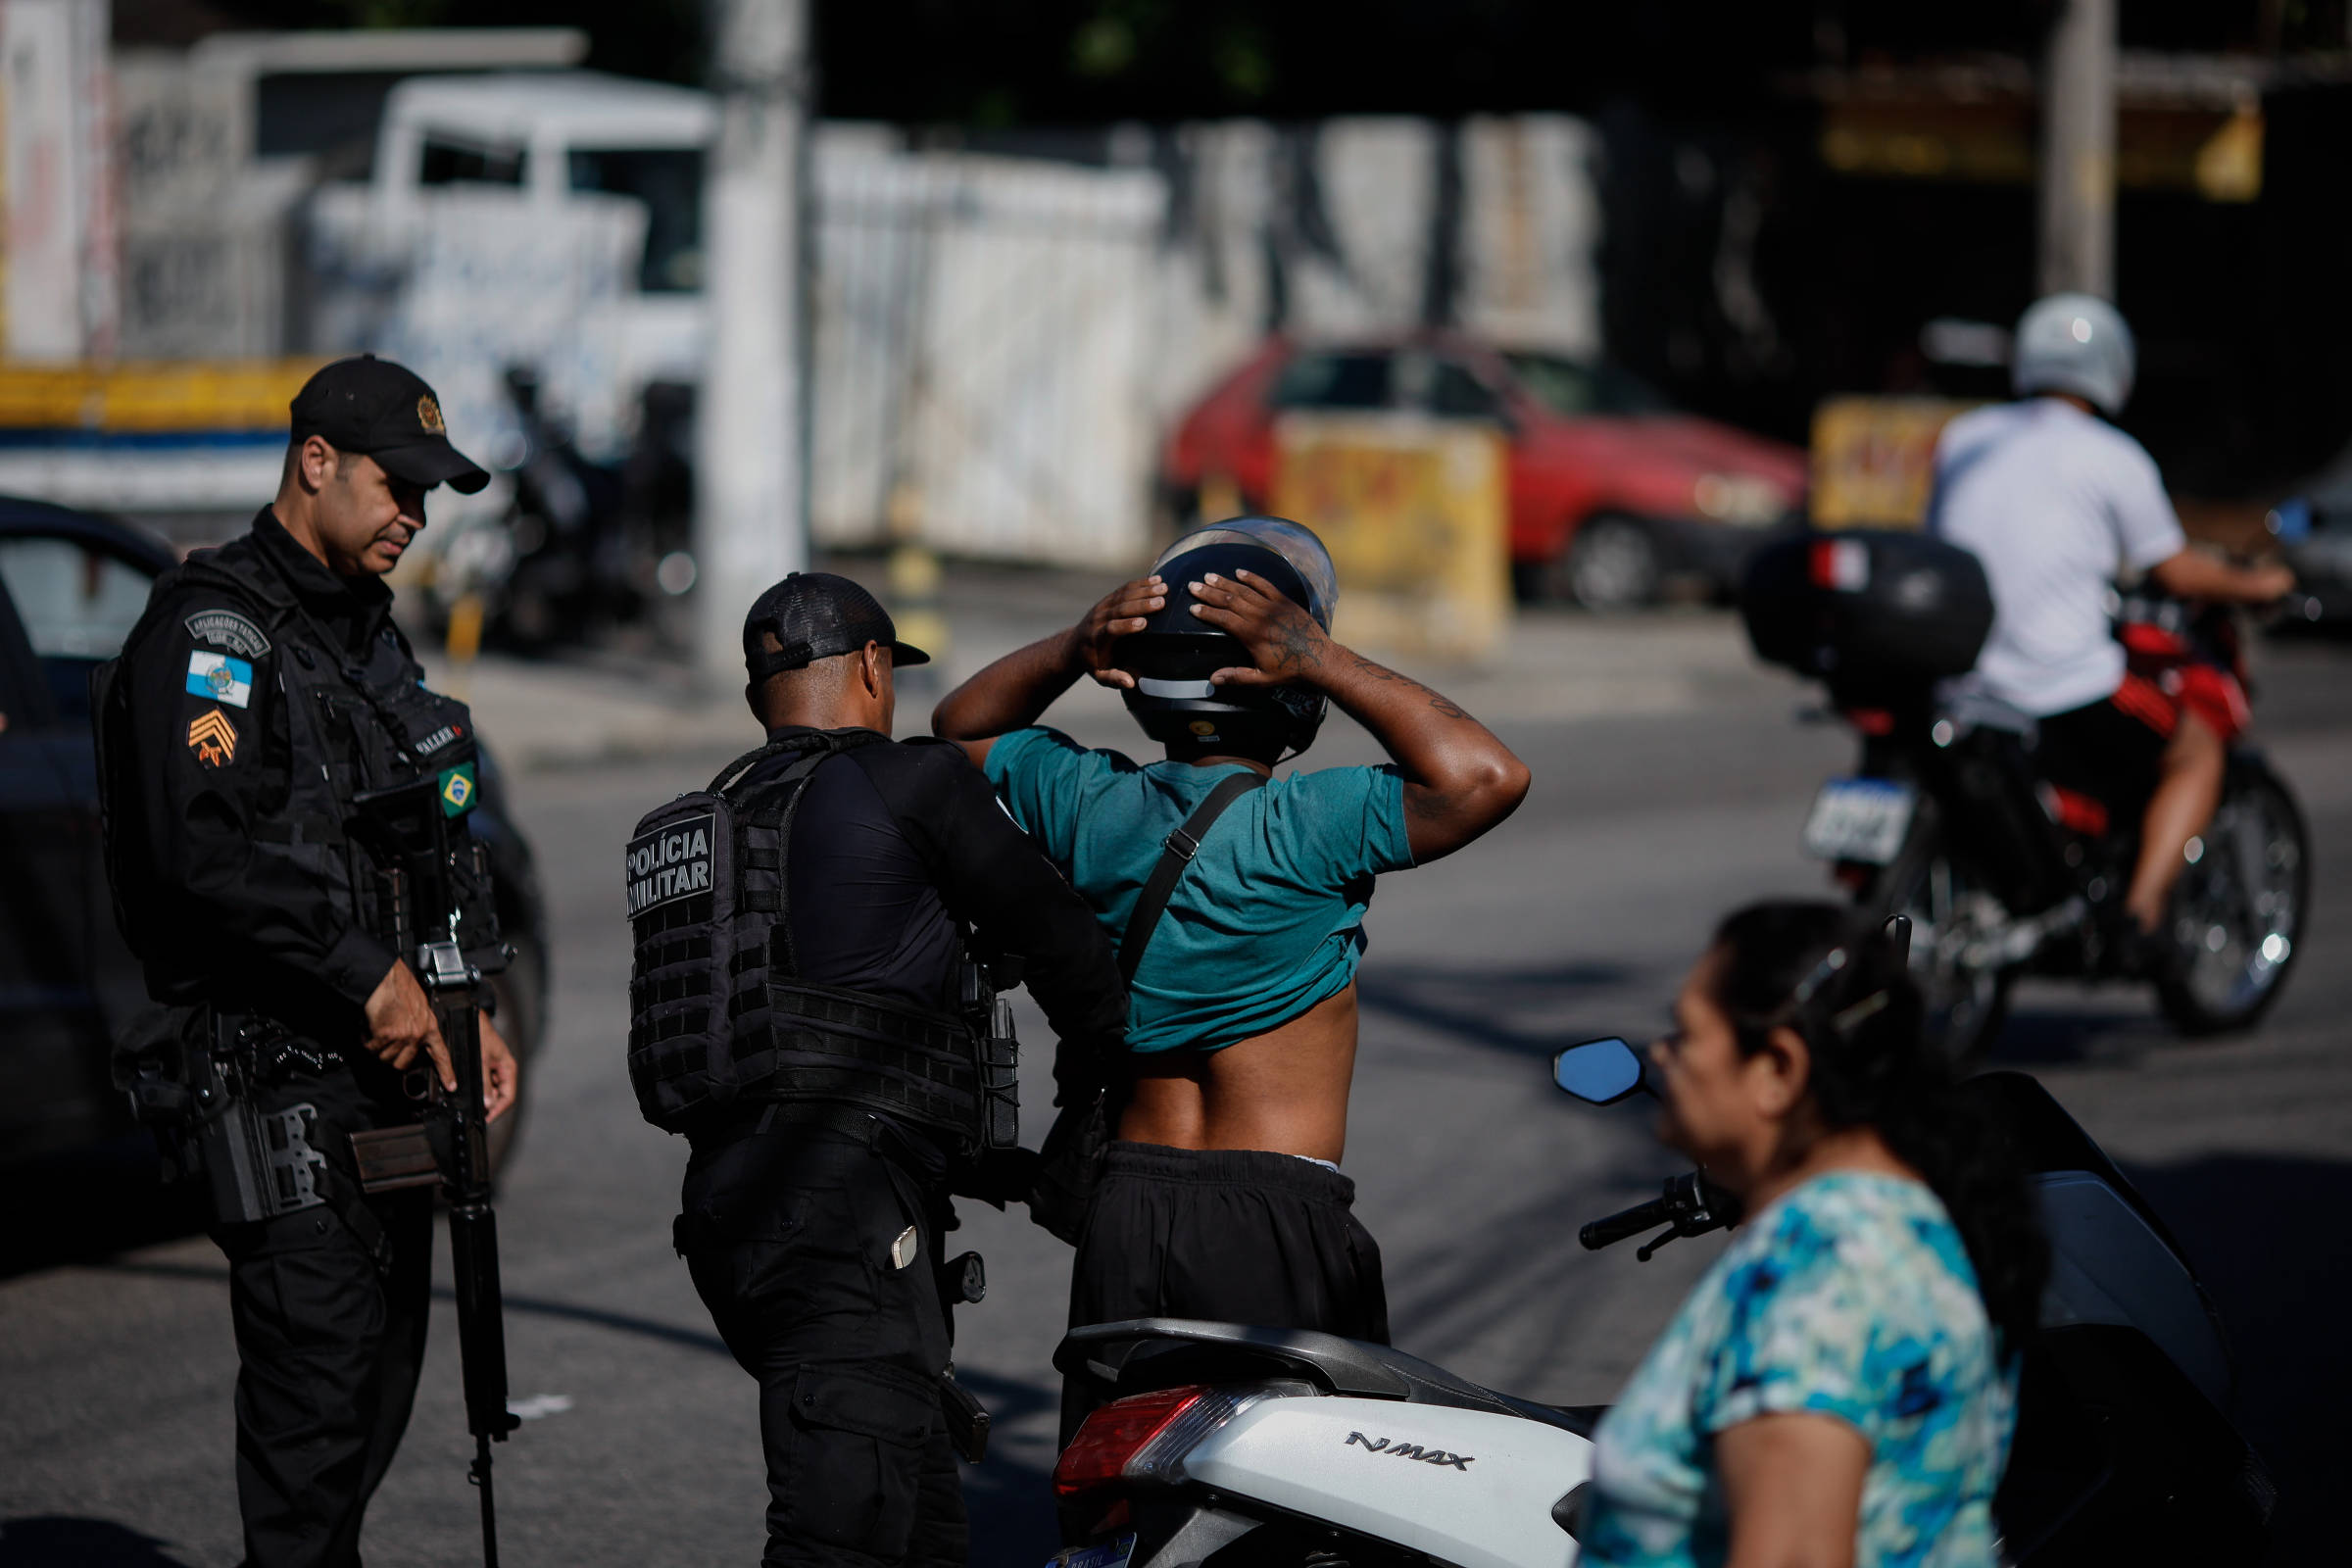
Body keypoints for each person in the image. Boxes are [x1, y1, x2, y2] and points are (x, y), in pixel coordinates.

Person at [930, 517, 1531, 1435]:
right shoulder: (1313, 822)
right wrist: (1321, 654)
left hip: (1125, 1206)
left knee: (1119, 1492)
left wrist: (1074, 644)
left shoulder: (1092, 804)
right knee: (1293, 1509)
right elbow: (1486, 774)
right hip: (1273, 1220)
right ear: (1287, 690)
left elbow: (961, 726)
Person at [95, 355, 518, 1568]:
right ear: (315, 461)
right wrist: (364, 976)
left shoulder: (369, 644)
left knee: (373, 1405)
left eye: (431, 498)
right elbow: (201, 856)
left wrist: (463, 996)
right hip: (280, 1085)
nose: (416, 518)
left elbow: (425, 843)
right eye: (399, 487)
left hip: (386, 1092)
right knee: (312, 1426)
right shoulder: (215, 635)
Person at [629, 572, 1127, 1568]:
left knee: (921, 1522)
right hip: (841, 1222)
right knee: (845, 1532)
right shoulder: (914, 782)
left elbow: (809, 1039)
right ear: (868, 667)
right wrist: (1083, 1139)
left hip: (734, 1217)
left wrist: (999, 1167)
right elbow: (1077, 959)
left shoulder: (705, 820)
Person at [1579, 901, 2047, 1568]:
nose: (1661, 1054)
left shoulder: (1818, 1282)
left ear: (1778, 1068)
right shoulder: (1905, 1222)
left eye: (1685, 1035)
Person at [1927, 294, 2293, 958]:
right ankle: (2142, 914)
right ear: (2110, 369)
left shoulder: (1966, 438)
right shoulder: (2112, 455)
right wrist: (2259, 584)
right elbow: (2177, 571)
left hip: (1959, 680)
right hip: (2058, 686)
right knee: (2197, 750)